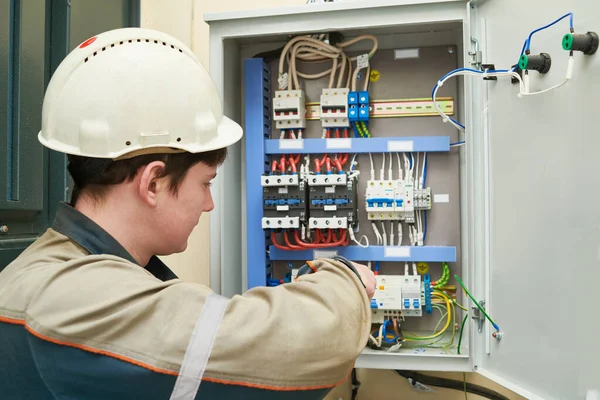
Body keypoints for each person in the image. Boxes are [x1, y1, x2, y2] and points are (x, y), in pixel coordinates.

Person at [0, 27, 376, 400]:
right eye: (206, 183)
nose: (209, 204)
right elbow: (297, 344)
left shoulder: (51, 271)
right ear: (152, 183)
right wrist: (348, 281)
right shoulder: (76, 299)